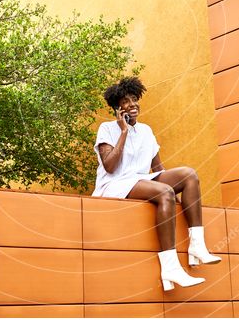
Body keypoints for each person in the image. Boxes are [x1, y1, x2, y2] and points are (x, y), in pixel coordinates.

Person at [92, 76, 221, 291]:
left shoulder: (146, 131)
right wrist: (123, 131)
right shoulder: (107, 129)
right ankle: (170, 267)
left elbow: (159, 169)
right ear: (117, 108)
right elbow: (110, 166)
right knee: (164, 191)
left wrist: (176, 202)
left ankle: (197, 245)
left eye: (134, 99)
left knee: (189, 174)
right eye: (126, 101)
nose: (132, 104)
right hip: (114, 184)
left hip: (141, 180)